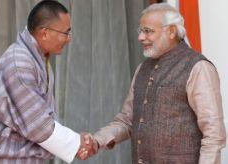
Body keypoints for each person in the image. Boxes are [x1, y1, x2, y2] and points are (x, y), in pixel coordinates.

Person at [78, 2, 226, 164]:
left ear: (171, 31)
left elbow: (214, 134)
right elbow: (126, 120)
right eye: (140, 31)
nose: (141, 37)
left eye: (148, 31)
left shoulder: (198, 67)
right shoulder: (143, 68)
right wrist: (97, 140)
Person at [0, 0, 95, 163]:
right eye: (65, 33)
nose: (69, 39)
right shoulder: (19, 62)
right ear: (45, 33)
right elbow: (38, 125)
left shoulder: (37, 58)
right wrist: (78, 143)